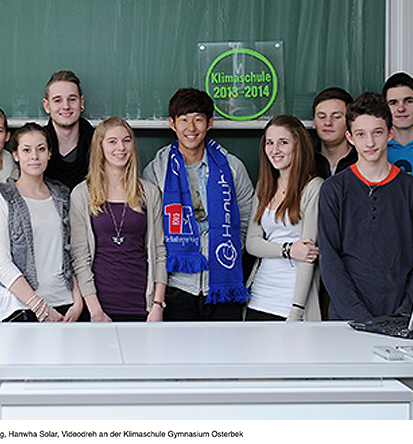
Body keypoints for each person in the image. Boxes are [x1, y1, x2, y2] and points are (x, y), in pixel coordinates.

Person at [318, 92, 413, 321]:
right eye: (361, 134)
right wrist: (360, 317)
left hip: (401, 317)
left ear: (390, 133)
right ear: (350, 137)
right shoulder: (333, 189)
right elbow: (330, 261)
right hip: (347, 319)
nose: (369, 143)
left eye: (377, 133)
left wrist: (405, 312)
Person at [143, 88, 254, 321]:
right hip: (176, 288)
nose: (191, 128)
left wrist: (223, 253)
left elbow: (247, 219)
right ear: (172, 124)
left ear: (210, 122)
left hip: (224, 288)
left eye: (198, 119)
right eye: (183, 120)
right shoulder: (157, 170)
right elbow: (152, 232)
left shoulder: (232, 167)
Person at [70, 117, 167, 322]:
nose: (121, 148)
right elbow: (80, 257)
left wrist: (157, 305)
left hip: (143, 305)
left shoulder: (149, 192)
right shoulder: (82, 194)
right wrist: (95, 310)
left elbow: (159, 251)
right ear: (100, 147)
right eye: (112, 141)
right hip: (100, 307)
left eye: (126, 140)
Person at [0, 123, 84, 322]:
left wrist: (78, 300)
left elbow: (70, 252)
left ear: (49, 153)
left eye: (41, 149)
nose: (34, 156)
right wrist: (39, 307)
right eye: (26, 150)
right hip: (21, 307)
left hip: (65, 307)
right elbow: (2, 263)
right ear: (15, 155)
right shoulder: (3, 198)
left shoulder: (62, 196)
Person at [245, 114, 323, 321]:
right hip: (259, 297)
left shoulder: (313, 188)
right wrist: (288, 249)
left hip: (290, 304)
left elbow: (308, 255)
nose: (275, 149)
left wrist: (296, 311)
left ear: (299, 145)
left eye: (283, 142)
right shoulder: (264, 186)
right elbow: (252, 243)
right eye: (270, 142)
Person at [41, 70, 95, 189]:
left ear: (81, 102)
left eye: (72, 99)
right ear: (46, 106)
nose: (66, 106)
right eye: (57, 100)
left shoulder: (99, 143)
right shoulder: (36, 146)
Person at [312, 87, 356, 179]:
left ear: (349, 122)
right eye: (322, 117)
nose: (328, 123)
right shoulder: (306, 161)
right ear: (314, 122)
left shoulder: (362, 160)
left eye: (336, 117)